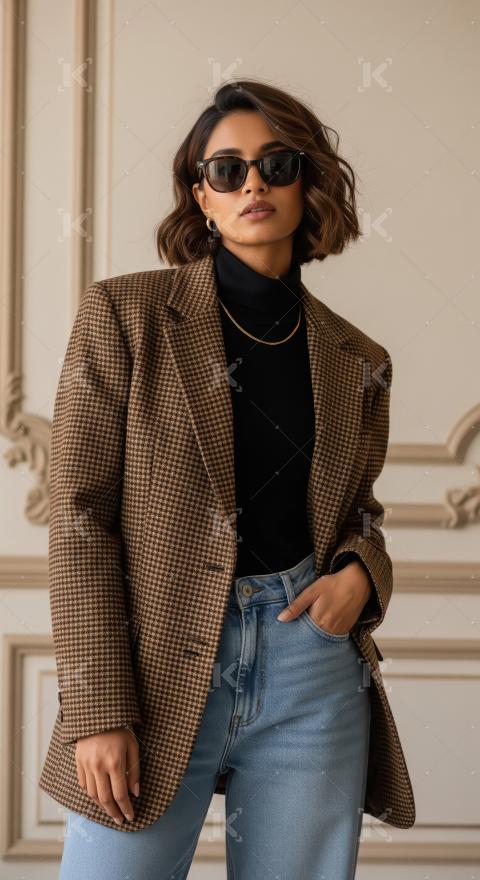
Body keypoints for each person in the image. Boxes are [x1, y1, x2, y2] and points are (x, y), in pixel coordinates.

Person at [39, 78, 415, 879]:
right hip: (153, 661)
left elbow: (362, 516)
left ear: (308, 183)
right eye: (227, 169)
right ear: (200, 196)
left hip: (309, 663)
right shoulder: (124, 315)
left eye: (277, 164)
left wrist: (360, 572)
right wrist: (99, 709)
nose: (253, 184)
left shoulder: (361, 360)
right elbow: (77, 517)